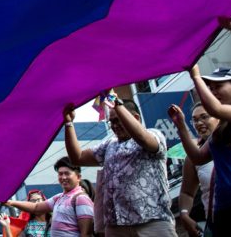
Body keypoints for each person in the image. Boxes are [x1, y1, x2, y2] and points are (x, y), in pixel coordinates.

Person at [170, 65, 231, 233]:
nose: (214, 91)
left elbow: (216, 109)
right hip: (223, 208)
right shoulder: (219, 130)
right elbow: (198, 158)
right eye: (211, 88)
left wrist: (196, 77)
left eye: (218, 87)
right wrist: (181, 126)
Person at [64, 98, 174, 236]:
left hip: (152, 222)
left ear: (135, 118)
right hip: (116, 226)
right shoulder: (109, 145)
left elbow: (142, 138)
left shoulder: (153, 134)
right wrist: (68, 123)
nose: (114, 126)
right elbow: (77, 157)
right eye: (112, 122)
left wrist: (116, 103)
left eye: (118, 120)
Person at [7, 158, 93, 236]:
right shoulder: (59, 198)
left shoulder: (81, 199)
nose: (63, 177)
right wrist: (11, 202)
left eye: (67, 173)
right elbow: (36, 207)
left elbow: (86, 234)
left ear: (78, 177)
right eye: (60, 174)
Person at [174, 103, 217, 237]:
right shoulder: (193, 158)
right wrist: (184, 214)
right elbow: (187, 193)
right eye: (195, 120)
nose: (199, 123)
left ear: (219, 117)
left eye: (204, 117)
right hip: (216, 223)